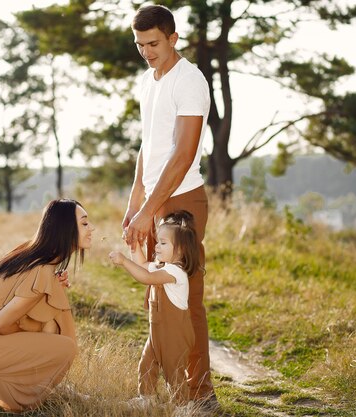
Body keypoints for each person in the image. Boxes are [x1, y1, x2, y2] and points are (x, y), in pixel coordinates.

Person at [122, 4, 217, 406]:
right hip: (155, 199)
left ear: (173, 38)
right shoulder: (148, 81)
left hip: (182, 200)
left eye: (154, 43)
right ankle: (152, 393)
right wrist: (135, 204)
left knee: (184, 301)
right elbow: (150, 146)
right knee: (157, 300)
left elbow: (182, 154)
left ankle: (199, 396)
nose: (146, 51)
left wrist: (150, 210)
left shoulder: (189, 81)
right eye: (140, 44)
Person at [0, 199, 95, 412]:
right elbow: (1, 323)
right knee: (64, 348)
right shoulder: (41, 268)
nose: (92, 228)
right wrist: (32, 335)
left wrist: (53, 288)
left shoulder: (32, 255)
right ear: (65, 229)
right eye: (85, 223)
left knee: (51, 331)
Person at [109, 211, 200, 405]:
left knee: (173, 370)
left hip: (175, 334)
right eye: (157, 241)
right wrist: (133, 246)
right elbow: (142, 264)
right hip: (157, 333)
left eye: (163, 243)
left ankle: (183, 405)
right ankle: (147, 398)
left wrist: (124, 262)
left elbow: (147, 278)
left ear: (181, 250)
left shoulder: (175, 272)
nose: (157, 246)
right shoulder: (162, 266)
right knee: (147, 364)